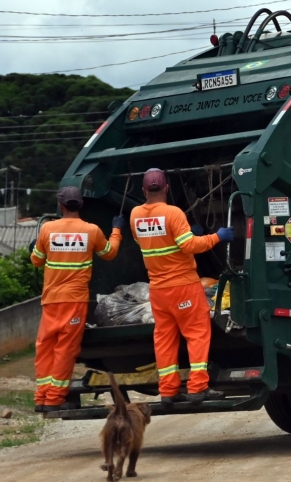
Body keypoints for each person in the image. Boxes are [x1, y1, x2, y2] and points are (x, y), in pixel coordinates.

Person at [130, 168, 233, 404]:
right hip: (183, 286)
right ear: (167, 188)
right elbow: (189, 246)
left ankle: (168, 391)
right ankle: (197, 388)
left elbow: (146, 240)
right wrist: (218, 236)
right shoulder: (173, 213)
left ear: (144, 190)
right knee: (197, 334)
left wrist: (183, 233)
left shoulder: (135, 214)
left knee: (164, 340)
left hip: (157, 289)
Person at [30, 186, 125, 413]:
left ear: (61, 206)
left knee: (45, 347)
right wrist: (116, 230)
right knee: (65, 350)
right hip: (74, 301)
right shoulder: (91, 231)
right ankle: (54, 399)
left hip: (51, 299)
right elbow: (109, 253)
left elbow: (36, 260)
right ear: (81, 205)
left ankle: (41, 397)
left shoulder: (47, 229)